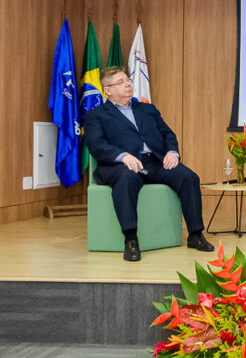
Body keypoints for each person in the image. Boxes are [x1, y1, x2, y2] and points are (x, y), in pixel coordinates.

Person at [84, 66, 214, 262]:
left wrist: (172, 152)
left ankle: (195, 235)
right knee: (127, 179)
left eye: (127, 80)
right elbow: (96, 144)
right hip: (120, 166)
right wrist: (122, 155)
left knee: (188, 177)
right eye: (121, 82)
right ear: (108, 90)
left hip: (154, 162)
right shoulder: (96, 115)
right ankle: (130, 240)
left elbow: (167, 133)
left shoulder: (147, 109)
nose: (127, 84)